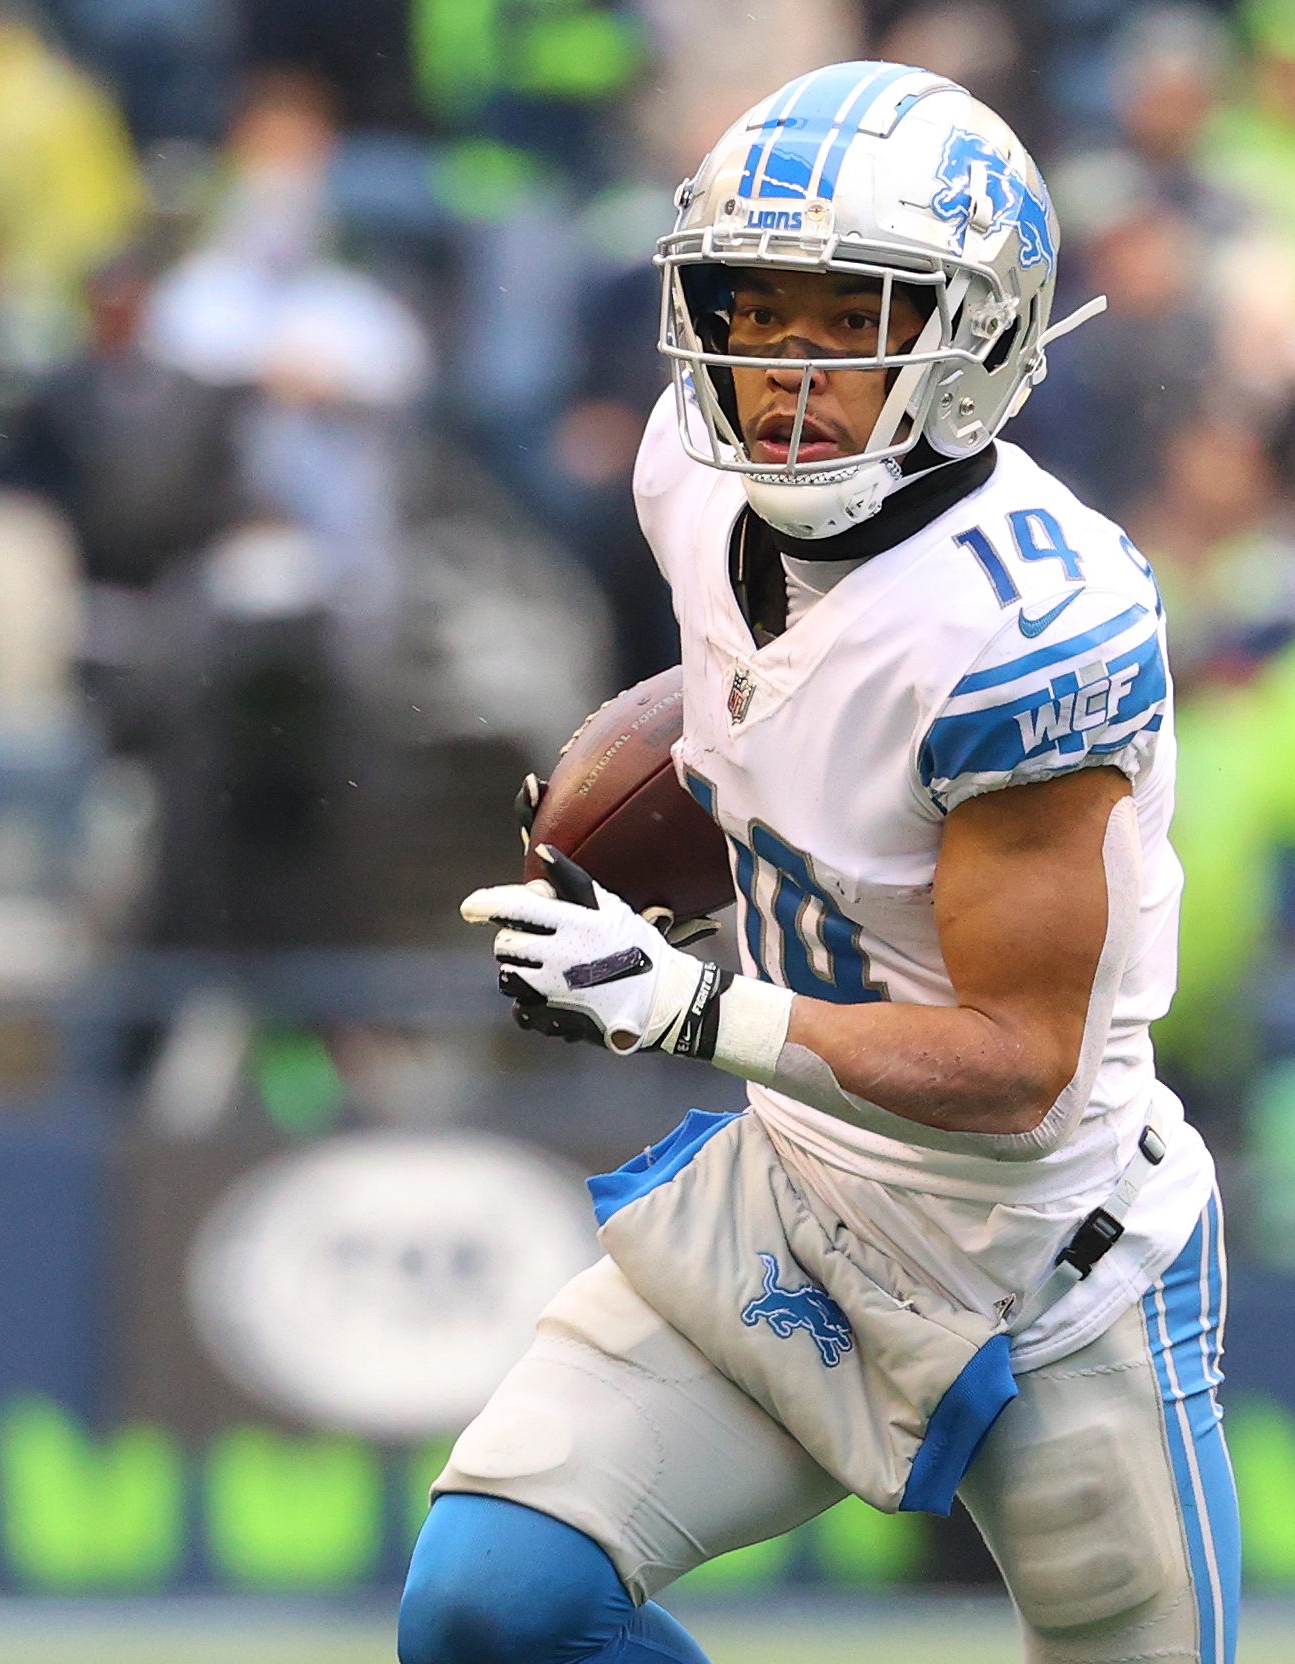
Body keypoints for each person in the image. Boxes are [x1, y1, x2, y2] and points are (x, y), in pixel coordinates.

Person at [403, 63, 1233, 1664]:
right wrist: (653, 823)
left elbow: (1013, 1065)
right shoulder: (689, 470)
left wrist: (685, 1006)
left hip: (1044, 1264)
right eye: (749, 309)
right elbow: (776, 719)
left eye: (845, 321)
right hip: (796, 1196)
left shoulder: (1032, 627)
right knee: (488, 1614)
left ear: (975, 339)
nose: (780, 369)